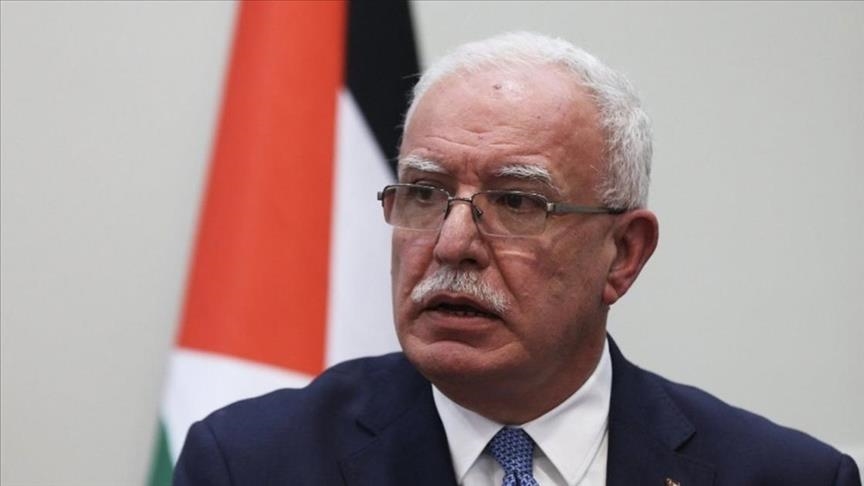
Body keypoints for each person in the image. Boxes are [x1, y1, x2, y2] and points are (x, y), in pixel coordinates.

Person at [174, 32, 861, 486]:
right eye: (424, 193)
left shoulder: (784, 477)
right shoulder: (252, 464)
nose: (451, 244)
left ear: (623, 254)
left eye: (516, 203)